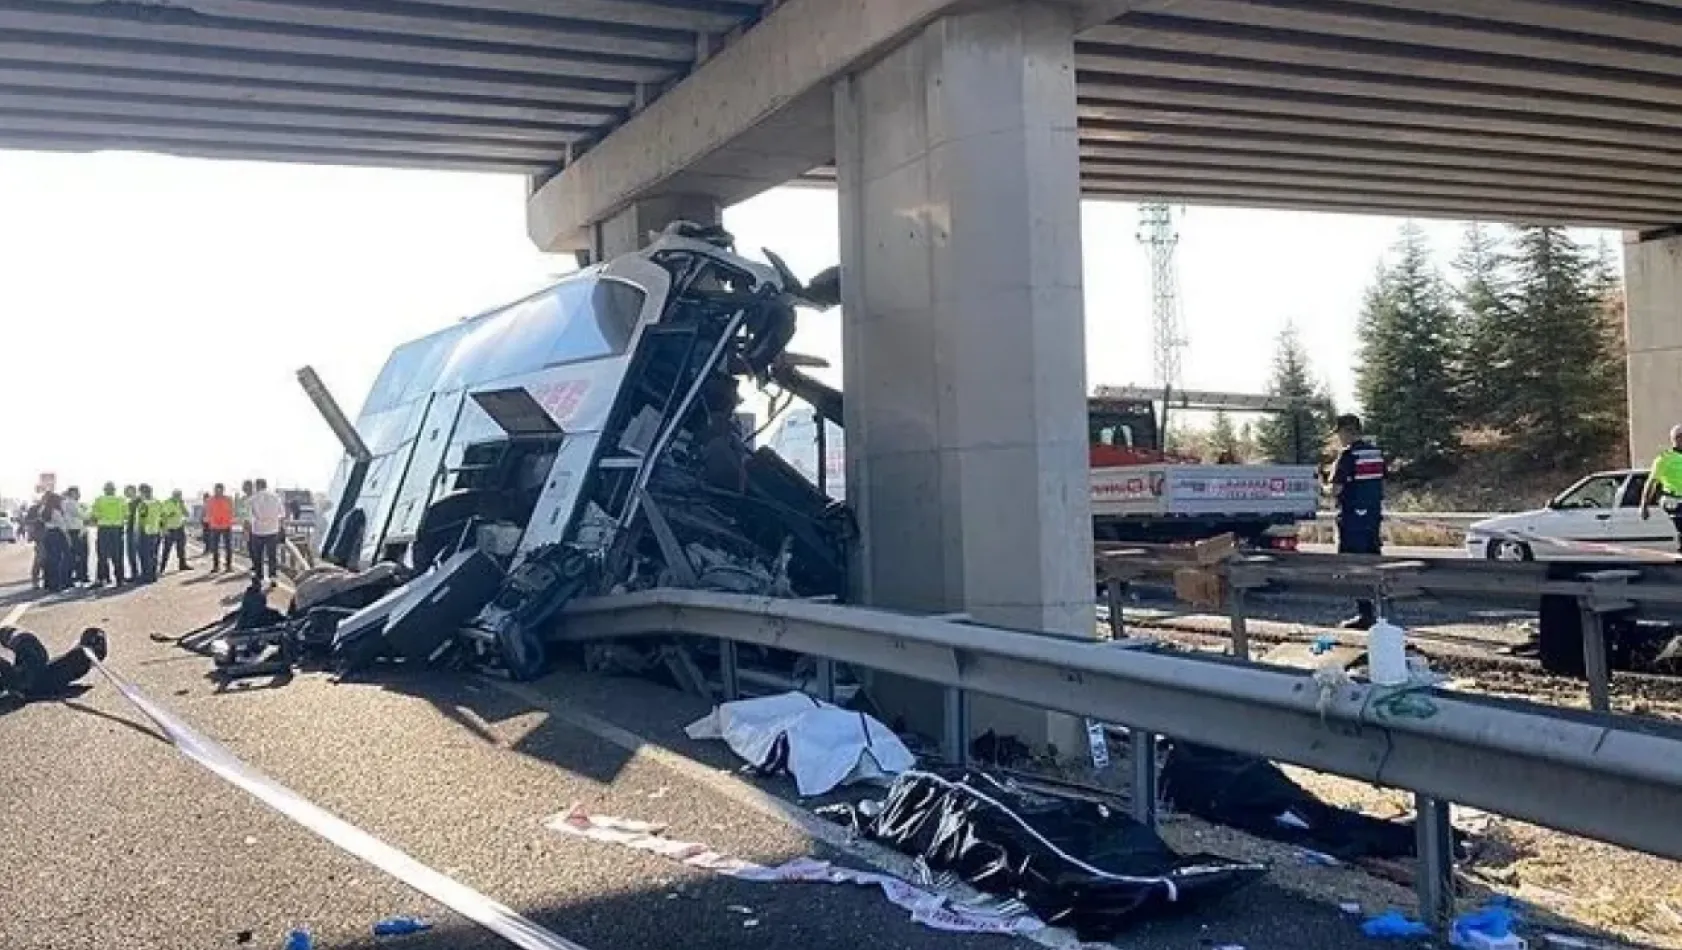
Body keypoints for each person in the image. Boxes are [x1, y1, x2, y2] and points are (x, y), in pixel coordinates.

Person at [1327, 413, 1386, 629]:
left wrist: (1325, 487)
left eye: (1340, 434)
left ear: (1346, 432)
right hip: (1372, 517)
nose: (1339, 439)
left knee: (1355, 565)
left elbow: (1336, 489)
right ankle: (1379, 612)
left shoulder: (1348, 456)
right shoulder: (1375, 454)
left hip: (1352, 519)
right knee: (1373, 563)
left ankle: (1365, 614)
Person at [1639, 424, 1682, 551]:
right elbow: (1651, 483)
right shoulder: (1664, 459)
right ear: (1678, 439)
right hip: (1672, 499)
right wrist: (1644, 506)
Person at [248, 478, 284, 587]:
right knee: (272, 555)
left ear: (257, 486)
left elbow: (249, 516)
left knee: (258, 555)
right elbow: (282, 514)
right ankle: (273, 577)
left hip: (258, 530)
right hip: (273, 530)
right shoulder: (276, 497)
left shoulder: (252, 499)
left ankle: (259, 577)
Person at [90, 482, 127, 587]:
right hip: (117, 529)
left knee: (102, 555)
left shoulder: (99, 500)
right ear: (114, 490)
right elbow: (126, 514)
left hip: (104, 529)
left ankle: (102, 579)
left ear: (105, 490)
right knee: (118, 555)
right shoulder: (121, 500)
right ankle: (120, 580)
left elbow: (94, 515)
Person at [38, 492, 71, 593]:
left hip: (47, 534)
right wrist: (68, 538)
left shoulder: (43, 510)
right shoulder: (56, 512)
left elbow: (41, 520)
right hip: (57, 534)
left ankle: (48, 583)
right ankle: (56, 585)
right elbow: (62, 526)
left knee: (50, 559)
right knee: (58, 560)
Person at [157, 489, 192, 574]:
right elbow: (162, 517)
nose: (178, 497)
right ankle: (162, 568)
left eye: (179, 495)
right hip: (170, 529)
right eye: (176, 495)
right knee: (166, 550)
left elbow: (187, 514)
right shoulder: (166, 503)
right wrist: (164, 529)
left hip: (180, 528)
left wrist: (182, 505)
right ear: (173, 495)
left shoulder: (180, 503)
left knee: (181, 548)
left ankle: (182, 565)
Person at [204, 483, 235, 573]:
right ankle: (216, 566)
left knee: (228, 547)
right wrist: (209, 520)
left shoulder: (228, 499)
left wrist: (230, 520)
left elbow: (232, 511)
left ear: (223, 490)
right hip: (214, 526)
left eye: (220, 490)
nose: (218, 491)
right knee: (215, 547)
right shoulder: (210, 500)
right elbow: (208, 512)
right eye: (216, 490)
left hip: (226, 526)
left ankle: (229, 566)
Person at [135, 484, 163, 583]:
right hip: (155, 531)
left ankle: (146, 576)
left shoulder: (143, 504)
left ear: (143, 492)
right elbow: (162, 517)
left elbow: (142, 520)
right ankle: (153, 575)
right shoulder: (158, 502)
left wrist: (139, 532)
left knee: (144, 555)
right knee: (154, 555)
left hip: (145, 532)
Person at [61, 486, 88, 585]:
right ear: (72, 493)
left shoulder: (68, 503)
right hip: (74, 531)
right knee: (75, 556)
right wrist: (87, 513)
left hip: (75, 530)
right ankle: (71, 578)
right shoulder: (70, 503)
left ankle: (78, 576)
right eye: (77, 493)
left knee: (74, 556)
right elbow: (81, 515)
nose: (79, 494)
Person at [122, 484, 141, 582]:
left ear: (133, 491)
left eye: (127, 491)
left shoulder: (140, 501)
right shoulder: (129, 503)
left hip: (138, 531)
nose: (125, 493)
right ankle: (135, 574)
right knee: (131, 554)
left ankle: (141, 574)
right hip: (129, 530)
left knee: (139, 553)